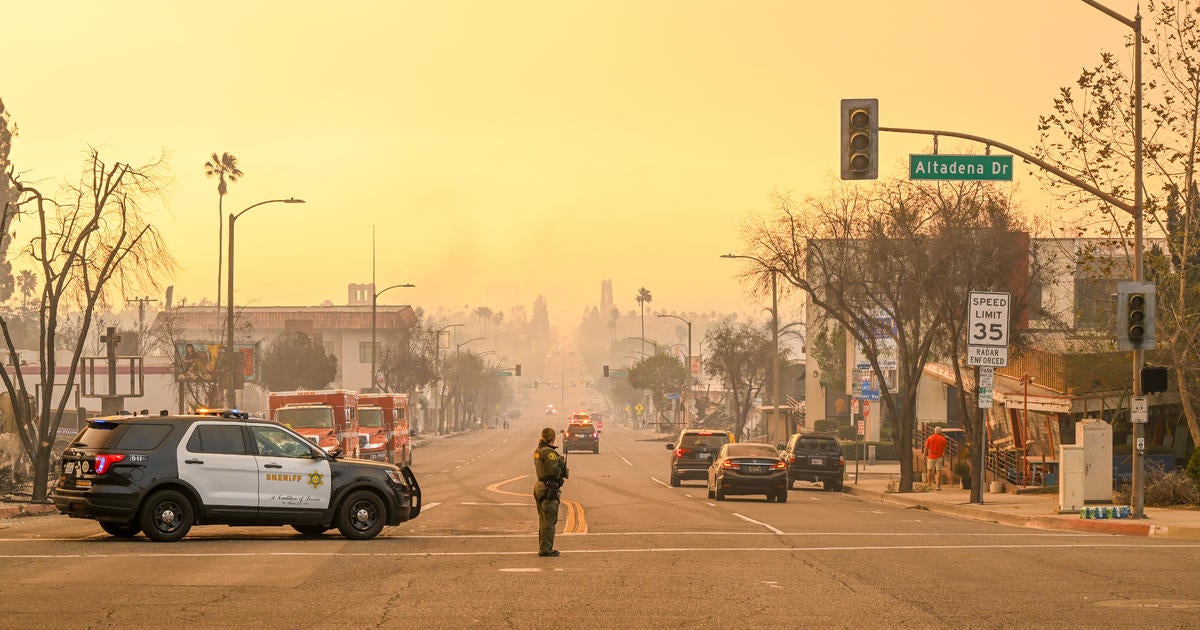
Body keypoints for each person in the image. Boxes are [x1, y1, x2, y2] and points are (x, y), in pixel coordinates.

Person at [533, 427, 569, 557]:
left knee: (543, 520)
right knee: (549, 521)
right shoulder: (550, 453)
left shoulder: (538, 450)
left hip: (540, 486)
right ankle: (546, 549)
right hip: (549, 488)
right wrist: (561, 463)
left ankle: (544, 546)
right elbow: (556, 472)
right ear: (553, 438)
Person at [923, 426, 948, 490]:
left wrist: (924, 456)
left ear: (935, 431)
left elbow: (926, 448)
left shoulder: (930, 438)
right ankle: (938, 486)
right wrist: (943, 455)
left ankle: (929, 485)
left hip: (931, 457)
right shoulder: (943, 439)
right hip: (939, 457)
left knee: (929, 470)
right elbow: (945, 449)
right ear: (940, 432)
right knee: (938, 472)